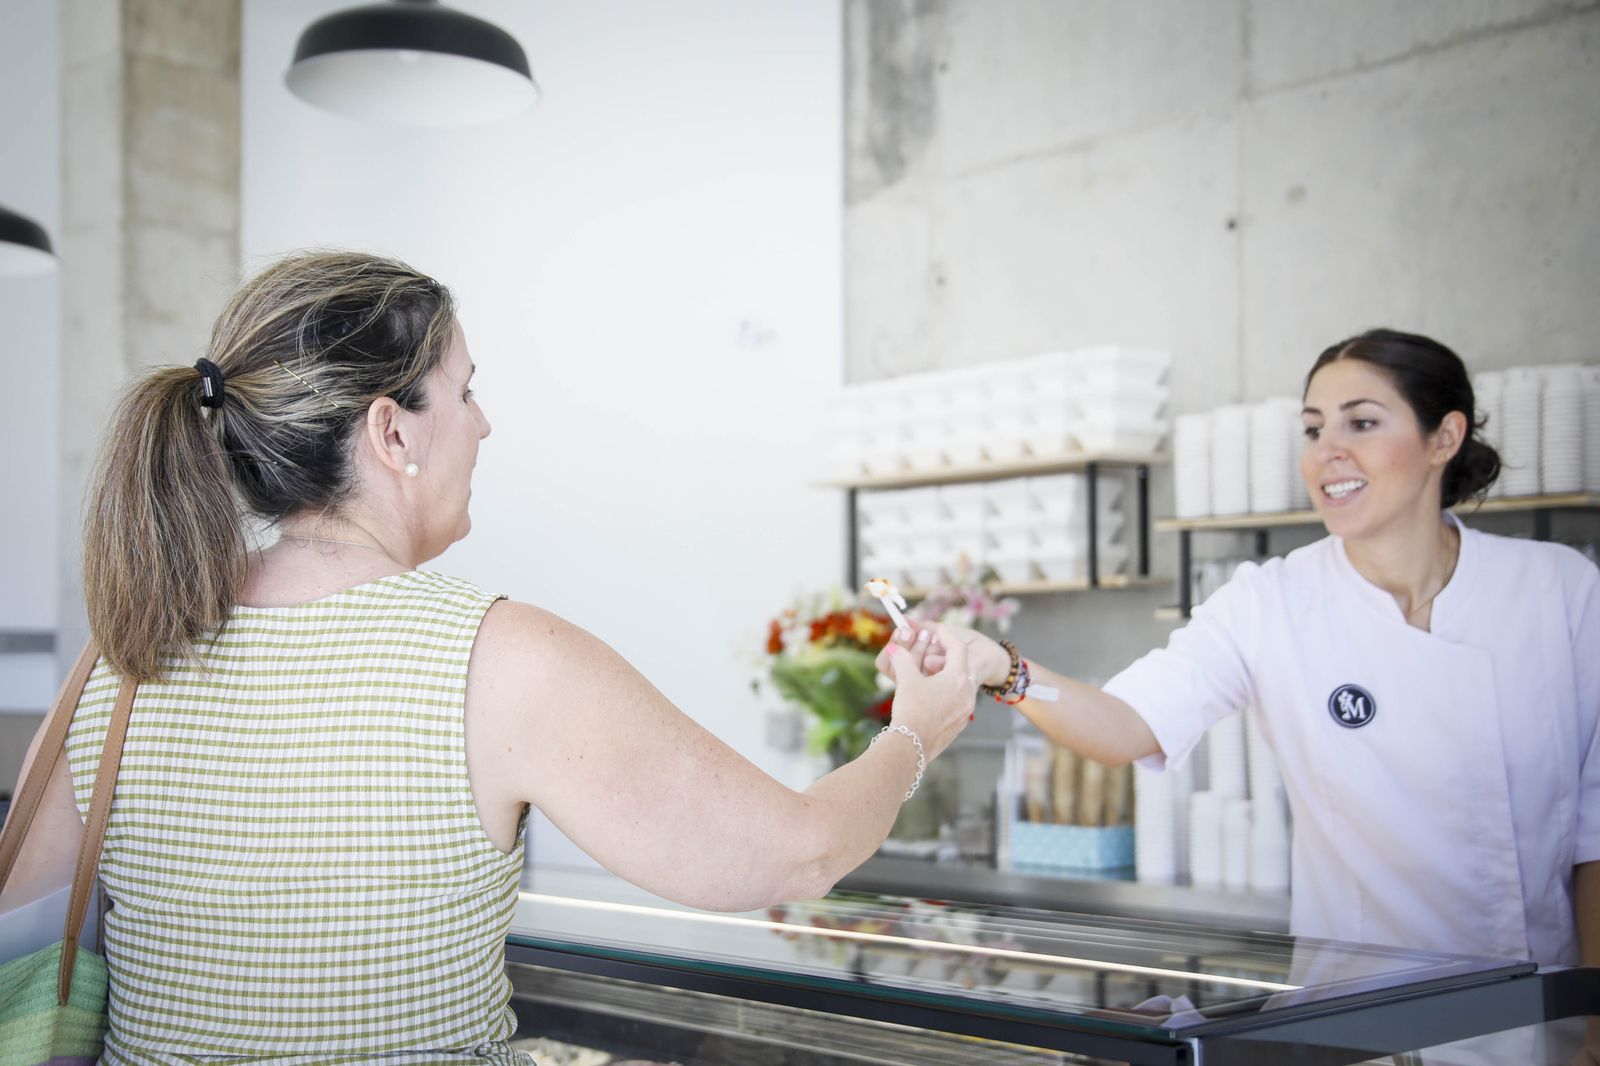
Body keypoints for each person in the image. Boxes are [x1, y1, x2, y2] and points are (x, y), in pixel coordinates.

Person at [0, 251, 977, 1064]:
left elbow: (23, 923)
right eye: (464, 392)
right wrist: (914, 731)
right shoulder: (495, 658)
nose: (484, 423)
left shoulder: (122, 656)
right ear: (392, 431)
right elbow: (792, 853)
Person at [898, 329, 1598, 976]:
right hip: (1363, 1025)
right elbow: (1126, 723)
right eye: (1314, 429)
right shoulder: (1270, 602)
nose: (1328, 452)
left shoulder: (1558, 590)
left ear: (1444, 437)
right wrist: (999, 668)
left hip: (1540, 1022)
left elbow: (1594, 831)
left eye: (1362, 422)